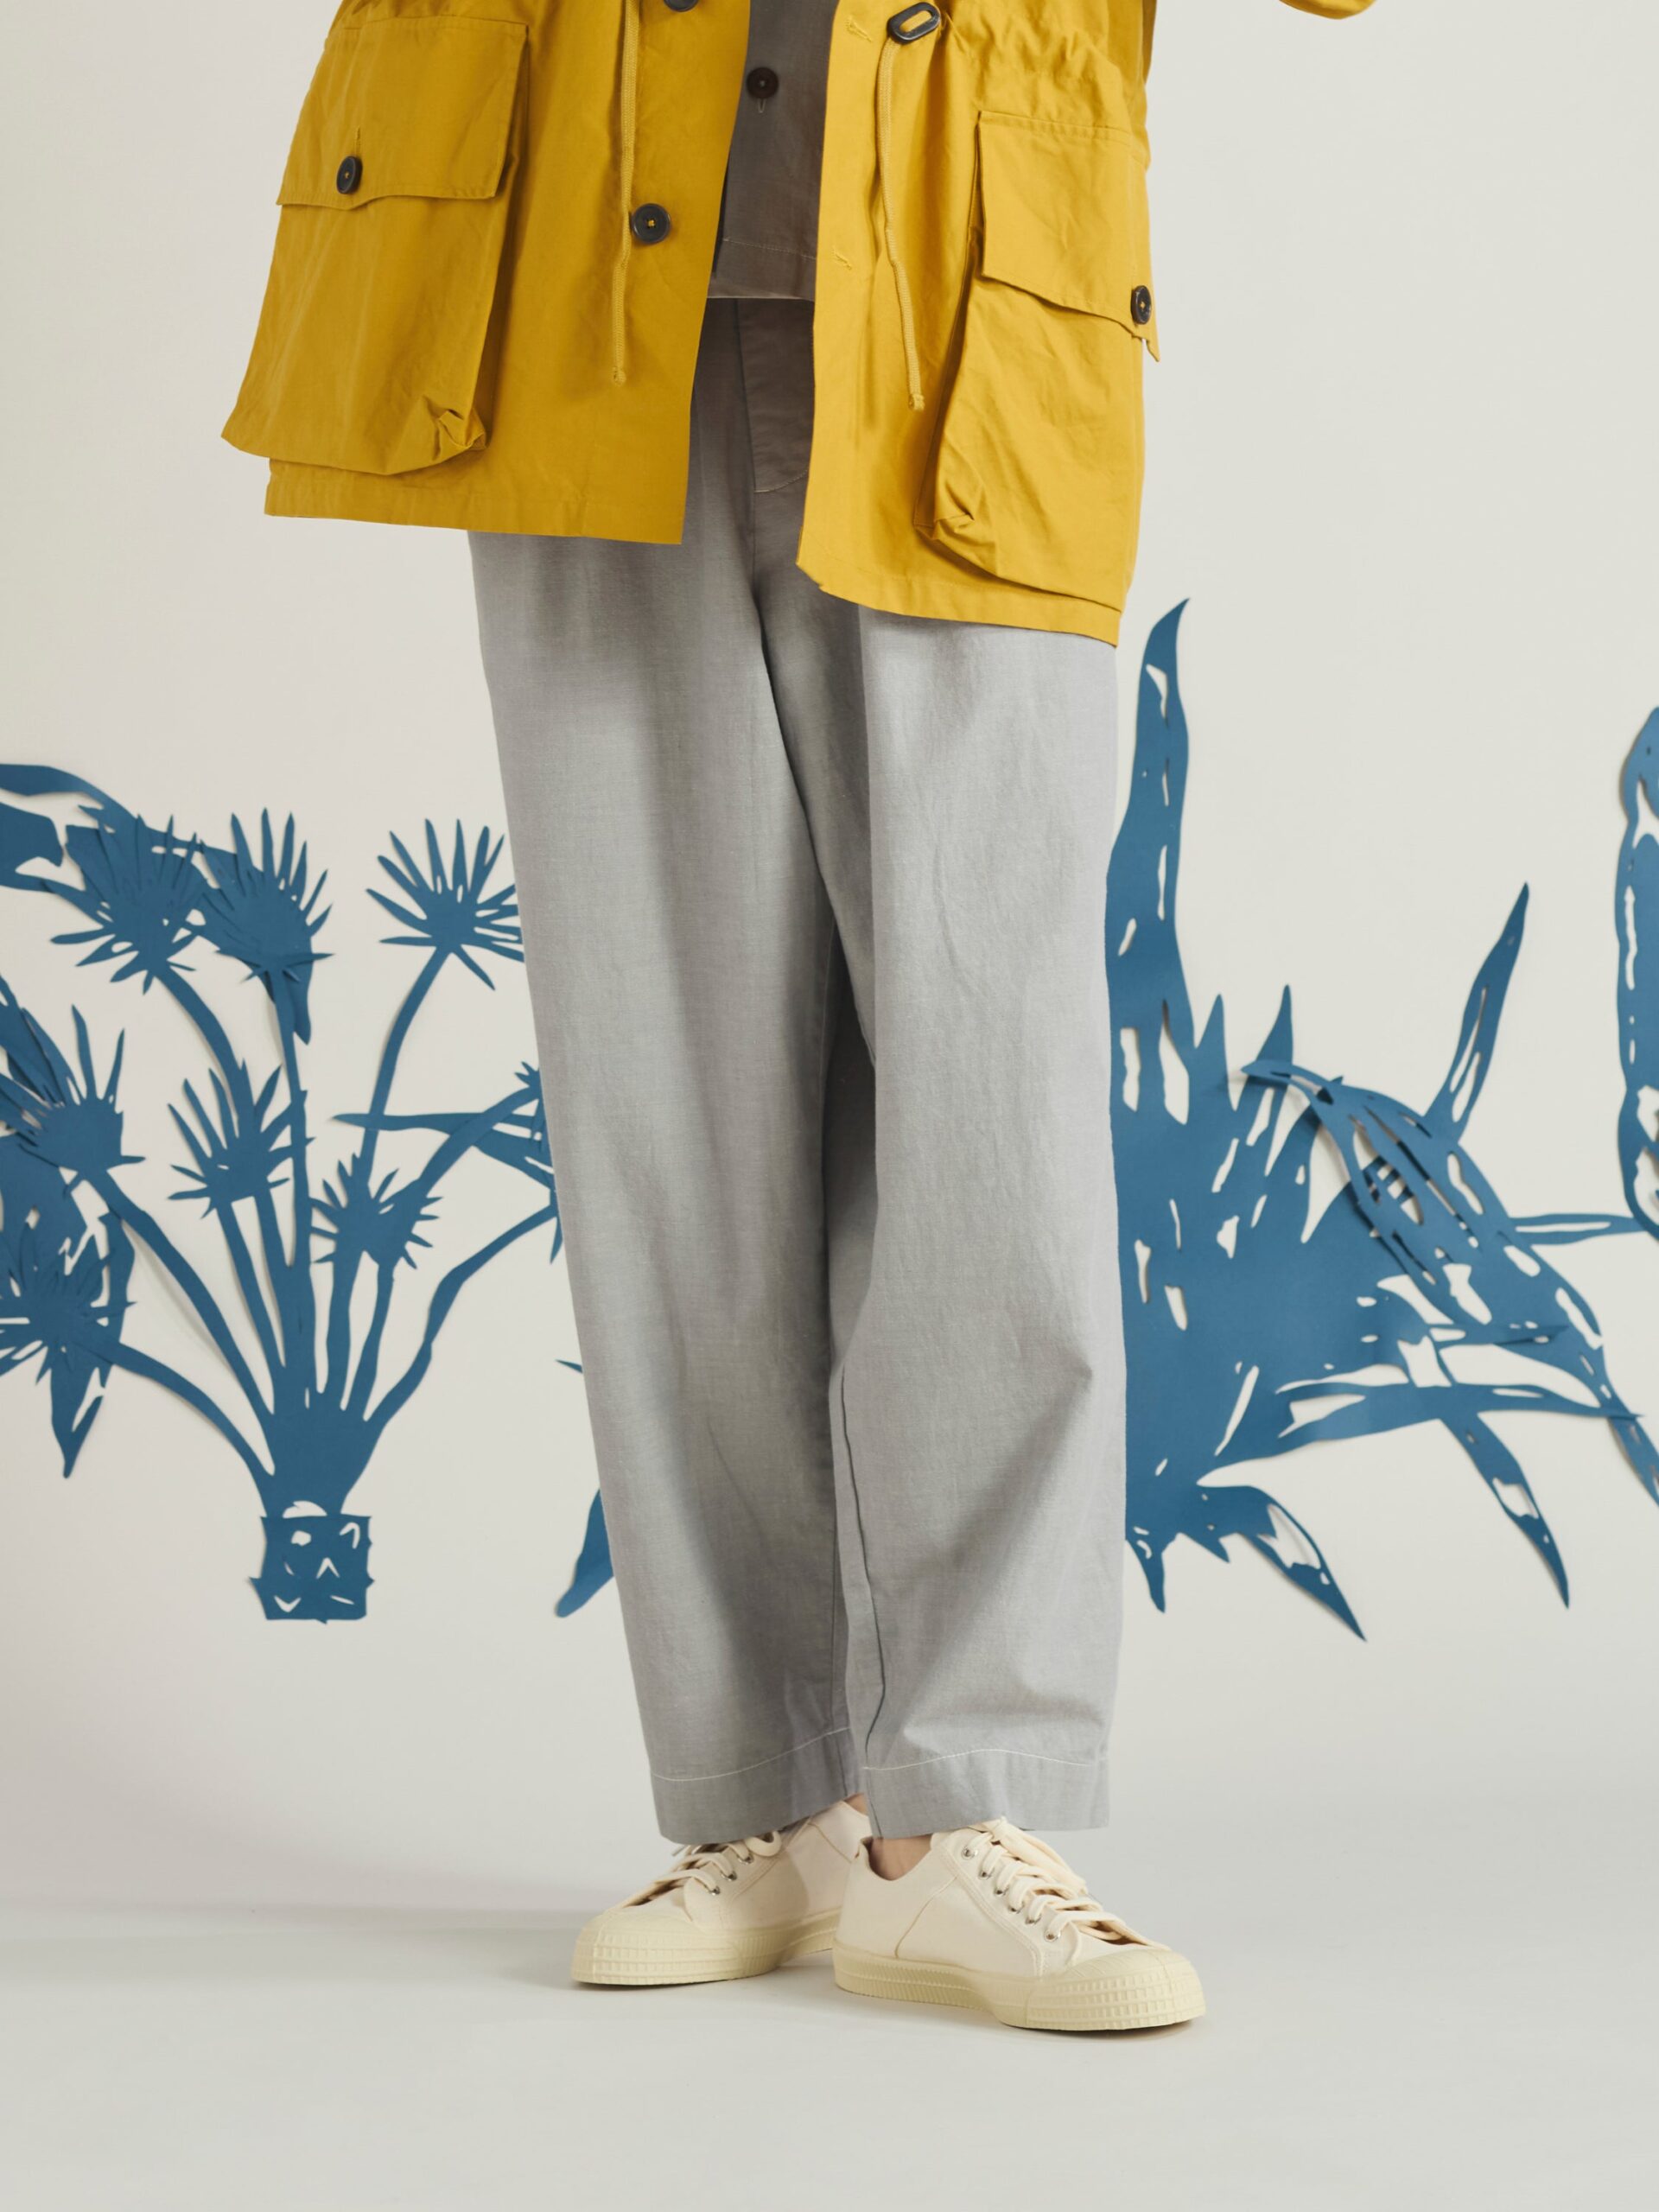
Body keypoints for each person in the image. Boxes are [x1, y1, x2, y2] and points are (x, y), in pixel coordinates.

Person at [226, 0, 1376, 2033]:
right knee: (663, 1101)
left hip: (964, 303)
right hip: (574, 286)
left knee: (992, 1109)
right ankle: (767, 1798)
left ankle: (966, 1799)